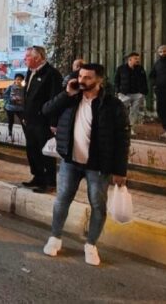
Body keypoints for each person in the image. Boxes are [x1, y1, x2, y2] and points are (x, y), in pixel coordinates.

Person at [41, 64, 129, 266]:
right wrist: (66, 93)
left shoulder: (113, 104)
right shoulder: (70, 98)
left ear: (99, 80)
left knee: (98, 205)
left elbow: (122, 138)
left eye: (88, 78)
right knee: (62, 199)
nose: (82, 80)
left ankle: (91, 245)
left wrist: (120, 170)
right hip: (70, 161)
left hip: (97, 165)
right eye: (80, 76)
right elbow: (46, 110)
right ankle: (55, 238)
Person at [22, 46, 63, 193]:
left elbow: (55, 100)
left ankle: (50, 182)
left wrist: (53, 122)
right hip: (30, 120)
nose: (24, 59)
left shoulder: (52, 74)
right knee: (32, 151)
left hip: (44, 121)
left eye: (27, 57)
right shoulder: (30, 72)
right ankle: (38, 177)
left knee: (45, 152)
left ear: (37, 58)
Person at [114, 52, 149, 135]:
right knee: (121, 111)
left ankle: (130, 128)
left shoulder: (140, 68)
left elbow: (144, 81)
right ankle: (119, 128)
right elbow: (116, 81)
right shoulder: (121, 68)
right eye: (136, 59)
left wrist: (143, 92)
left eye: (138, 58)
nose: (138, 60)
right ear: (130, 59)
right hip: (124, 93)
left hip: (137, 94)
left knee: (134, 112)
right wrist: (118, 91)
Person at [3, 74, 26, 139]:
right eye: (17, 79)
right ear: (15, 80)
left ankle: (27, 135)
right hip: (10, 108)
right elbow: (5, 95)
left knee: (24, 121)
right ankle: (10, 134)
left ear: (22, 80)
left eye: (20, 79)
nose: (19, 81)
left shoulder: (24, 88)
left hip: (20, 108)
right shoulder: (10, 87)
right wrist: (9, 100)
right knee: (11, 121)